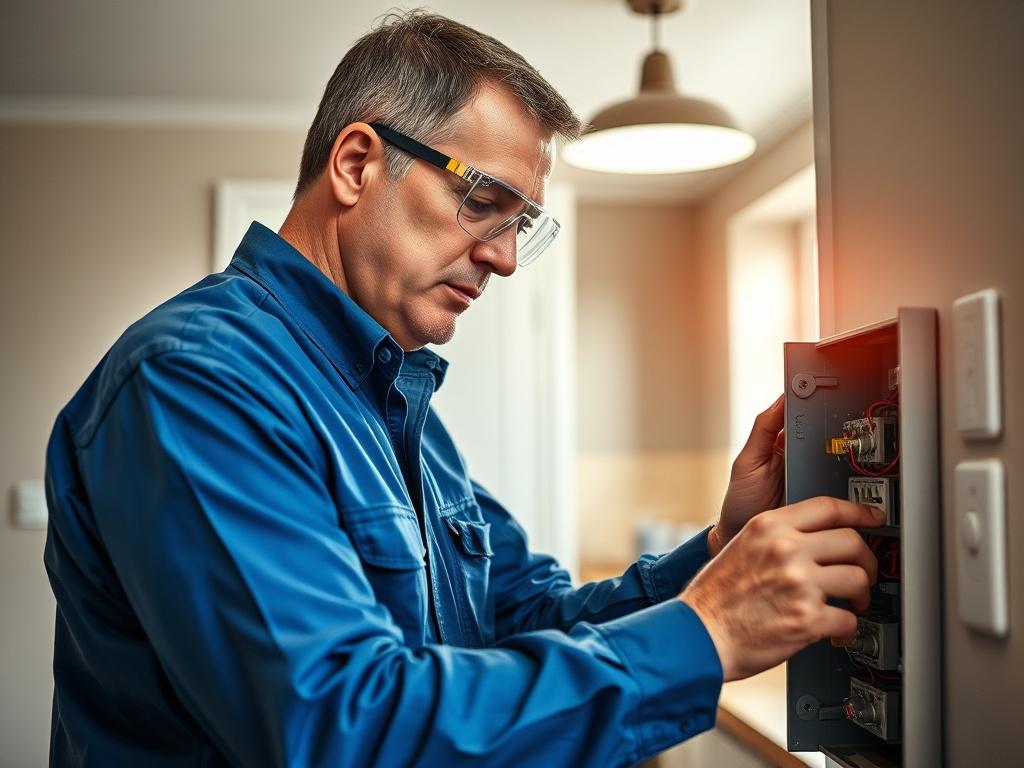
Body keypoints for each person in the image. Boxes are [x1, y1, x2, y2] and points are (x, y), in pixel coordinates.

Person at [43, 11, 883, 767]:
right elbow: (336, 729)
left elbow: (518, 617)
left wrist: (717, 555)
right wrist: (707, 634)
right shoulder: (198, 381)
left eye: (521, 225)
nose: (506, 258)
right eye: (484, 201)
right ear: (357, 163)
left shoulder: (396, 400)